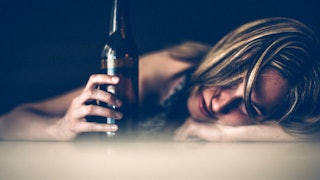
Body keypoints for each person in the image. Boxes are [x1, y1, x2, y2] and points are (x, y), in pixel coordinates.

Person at [0, 17, 319, 141]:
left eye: (250, 107)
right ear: (227, 53)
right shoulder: (165, 70)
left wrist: (224, 134)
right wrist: (58, 128)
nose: (219, 101)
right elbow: (9, 122)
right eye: (230, 75)